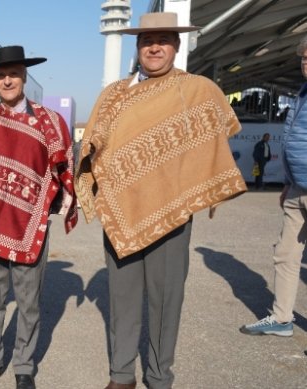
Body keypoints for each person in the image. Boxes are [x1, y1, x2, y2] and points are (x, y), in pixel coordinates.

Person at [75, 13, 246, 389]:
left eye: (164, 39)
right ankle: (122, 376)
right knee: (121, 299)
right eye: (147, 39)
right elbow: (91, 147)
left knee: (166, 302)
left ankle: (158, 377)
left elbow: (217, 137)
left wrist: (191, 180)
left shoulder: (197, 89)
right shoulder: (113, 94)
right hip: (120, 212)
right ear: (137, 47)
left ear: (177, 45)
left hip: (172, 213)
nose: (155, 47)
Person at [0, 46, 78, 389]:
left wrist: (53, 204)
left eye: (12, 73)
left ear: (24, 76)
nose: (7, 80)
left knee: (28, 302)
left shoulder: (49, 122)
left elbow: (63, 167)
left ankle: (23, 366)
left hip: (30, 227)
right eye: (0, 75)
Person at [240, 35, 307, 338]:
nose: (306, 62)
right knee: (285, 254)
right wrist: (288, 183)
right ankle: (282, 318)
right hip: (296, 189)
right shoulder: (301, 94)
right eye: (304, 58)